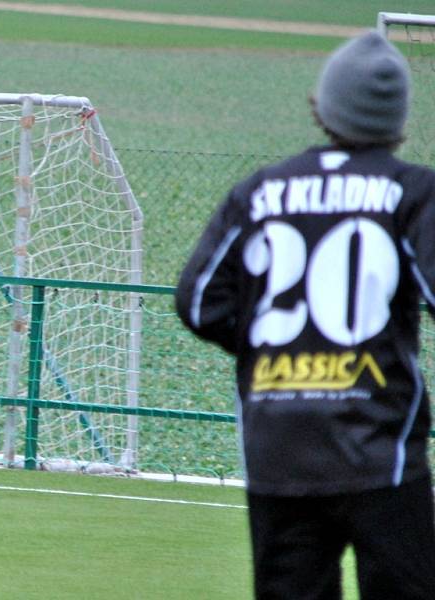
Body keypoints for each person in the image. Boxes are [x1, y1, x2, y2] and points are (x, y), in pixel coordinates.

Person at [176, 31, 435, 599]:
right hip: (381, 450)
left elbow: (198, 302)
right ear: (398, 122)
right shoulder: (413, 192)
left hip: (280, 448)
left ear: (321, 107)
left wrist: (278, 351)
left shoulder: (259, 191)